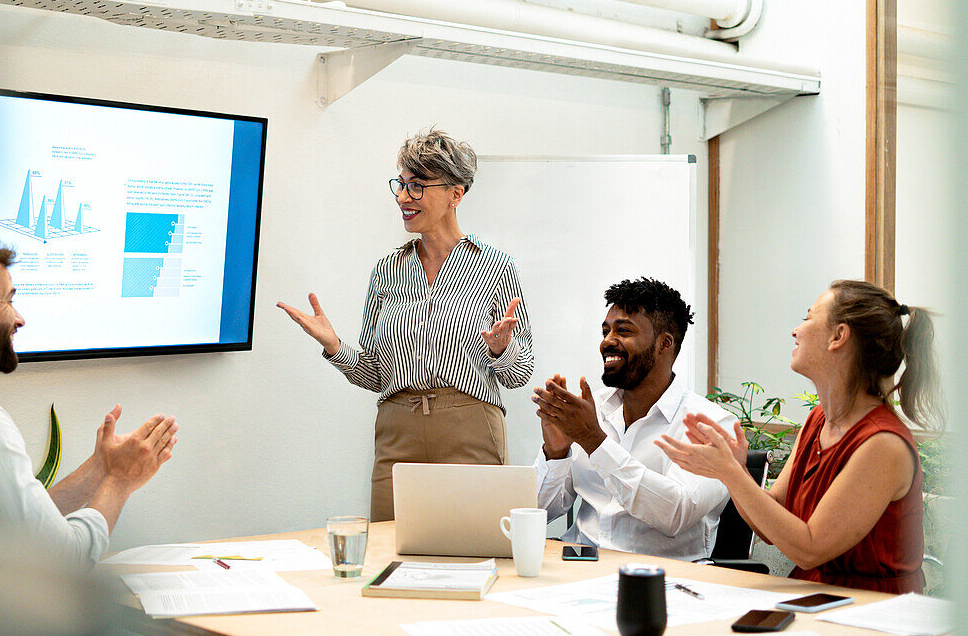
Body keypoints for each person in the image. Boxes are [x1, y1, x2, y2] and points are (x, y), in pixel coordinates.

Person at [279, 128, 534, 521]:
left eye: (416, 187)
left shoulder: (495, 266)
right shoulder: (387, 270)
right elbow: (373, 374)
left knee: (475, 547)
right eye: (400, 185)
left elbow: (520, 373)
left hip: (470, 427)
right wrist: (334, 346)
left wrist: (502, 348)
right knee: (389, 552)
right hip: (397, 432)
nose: (402, 198)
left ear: (455, 193)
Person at [657, 280, 939, 593]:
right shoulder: (817, 420)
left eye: (807, 319)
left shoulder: (883, 444)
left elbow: (809, 547)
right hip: (816, 597)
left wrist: (729, 473)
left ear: (837, 336)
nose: (796, 331)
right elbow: (771, 522)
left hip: (873, 612)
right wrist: (734, 472)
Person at [0, 235, 179, 567]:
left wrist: (100, 468)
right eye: (8, 301)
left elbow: (25, 520)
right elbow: (60, 560)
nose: (19, 319)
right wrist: (120, 481)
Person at [532, 277, 739, 561]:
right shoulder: (591, 410)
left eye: (623, 331)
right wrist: (556, 453)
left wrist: (595, 441)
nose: (607, 341)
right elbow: (536, 513)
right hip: (578, 569)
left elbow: (675, 513)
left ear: (664, 344)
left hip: (663, 582)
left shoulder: (711, 425)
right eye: (605, 331)